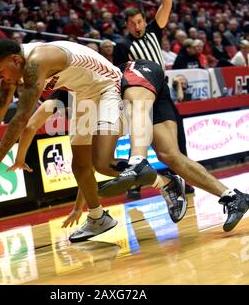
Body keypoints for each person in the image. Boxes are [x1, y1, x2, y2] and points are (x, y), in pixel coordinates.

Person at [0, 38, 178, 243]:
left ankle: (165, 182)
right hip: (81, 93)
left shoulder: (37, 62)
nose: (0, 77)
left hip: (106, 85)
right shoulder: (13, 71)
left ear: (15, 60)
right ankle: (98, 217)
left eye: (0, 71)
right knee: (80, 165)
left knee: (101, 163)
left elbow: (21, 119)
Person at [98, 59, 249, 233]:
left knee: (110, 156)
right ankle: (233, 197)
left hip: (135, 75)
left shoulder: (82, 84)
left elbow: (85, 162)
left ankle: (139, 163)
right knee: (170, 156)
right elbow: (89, 162)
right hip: (139, 87)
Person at [113, 0, 194, 197]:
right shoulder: (122, 46)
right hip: (140, 95)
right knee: (140, 138)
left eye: (139, 21)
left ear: (143, 20)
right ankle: (134, 184)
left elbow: (166, 5)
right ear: (126, 25)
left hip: (163, 92)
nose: (137, 26)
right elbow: (121, 77)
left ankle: (183, 178)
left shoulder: (153, 31)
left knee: (177, 137)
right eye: (132, 24)